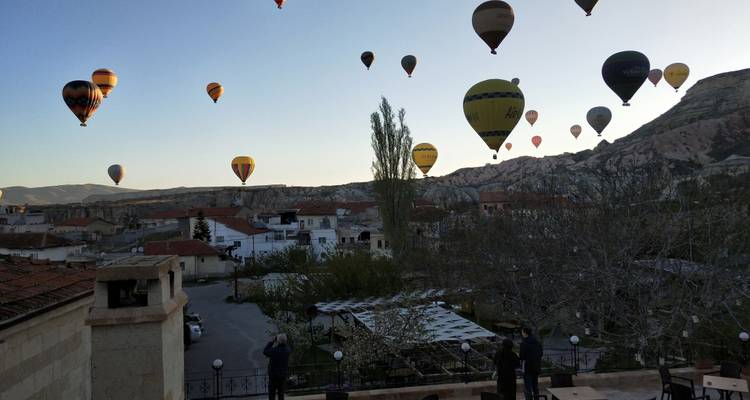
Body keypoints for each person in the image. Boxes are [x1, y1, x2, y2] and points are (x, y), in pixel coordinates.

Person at [264, 333, 293, 400]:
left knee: (272, 394)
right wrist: (283, 340)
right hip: (282, 376)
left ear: (278, 341)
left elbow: (265, 351)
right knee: (281, 394)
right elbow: (288, 345)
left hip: (273, 376)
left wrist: (272, 341)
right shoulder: (288, 350)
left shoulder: (274, 350)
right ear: (286, 341)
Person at [519, 327, 543, 400]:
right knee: (535, 385)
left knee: (528, 387)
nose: (522, 333)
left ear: (525, 332)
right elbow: (541, 354)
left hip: (527, 367)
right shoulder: (537, 342)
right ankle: (536, 399)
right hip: (536, 366)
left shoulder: (524, 343)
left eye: (522, 332)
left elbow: (522, 356)